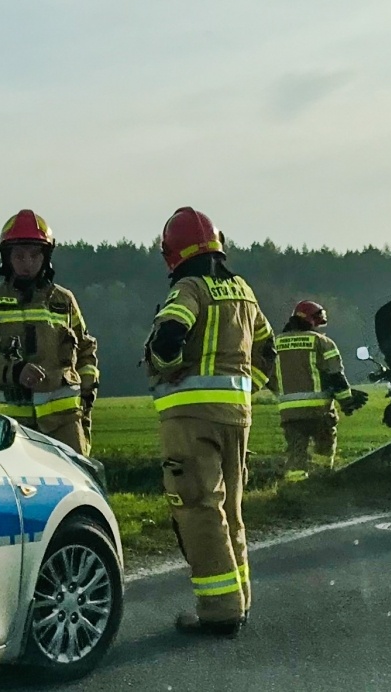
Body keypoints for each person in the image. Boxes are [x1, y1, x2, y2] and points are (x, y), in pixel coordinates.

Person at [144, 207, 276, 637]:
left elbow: (168, 338)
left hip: (190, 417)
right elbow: (268, 352)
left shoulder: (189, 288)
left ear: (172, 252)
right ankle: (239, 600)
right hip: (237, 418)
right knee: (231, 512)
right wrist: (246, 388)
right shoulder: (244, 292)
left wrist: (168, 366)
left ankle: (218, 611)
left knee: (199, 510)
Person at [0, 210, 98, 454]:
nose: (27, 263)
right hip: (9, 429)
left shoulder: (64, 301)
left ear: (46, 256)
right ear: (6, 257)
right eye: (19, 256)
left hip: (64, 426)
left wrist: (87, 393)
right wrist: (13, 371)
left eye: (34, 255)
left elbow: (86, 350)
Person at [275, 300, 369, 481]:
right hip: (320, 412)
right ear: (312, 321)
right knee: (323, 450)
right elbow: (335, 377)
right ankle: (322, 481)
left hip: (290, 414)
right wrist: (347, 401)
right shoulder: (322, 342)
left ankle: (295, 491)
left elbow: (272, 377)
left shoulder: (276, 343)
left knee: (296, 454)